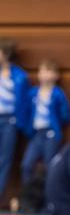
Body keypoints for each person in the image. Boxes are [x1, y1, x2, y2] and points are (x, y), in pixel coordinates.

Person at [21, 59, 70, 184]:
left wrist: (56, 125)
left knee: (50, 165)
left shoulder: (58, 94)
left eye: (48, 71)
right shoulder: (33, 92)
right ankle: (27, 195)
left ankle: (49, 198)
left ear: (56, 75)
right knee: (27, 165)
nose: (44, 75)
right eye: (42, 71)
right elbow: (26, 111)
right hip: (36, 134)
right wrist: (27, 129)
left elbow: (65, 114)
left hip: (51, 134)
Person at [0, 38, 29, 199]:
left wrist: (21, 123)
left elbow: (23, 102)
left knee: (5, 159)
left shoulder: (18, 76)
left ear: (5, 54)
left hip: (9, 120)